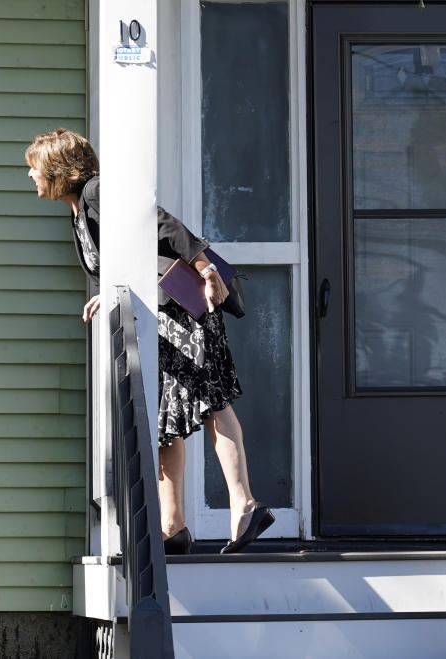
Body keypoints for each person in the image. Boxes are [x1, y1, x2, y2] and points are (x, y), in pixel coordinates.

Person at [25, 128, 275, 555]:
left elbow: (159, 223)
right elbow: (129, 253)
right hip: (159, 314)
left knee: (213, 402)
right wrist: (109, 289)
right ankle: (173, 526)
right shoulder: (79, 210)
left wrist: (206, 269)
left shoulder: (96, 192)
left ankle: (245, 506)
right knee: (166, 419)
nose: (30, 176)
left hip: (181, 306)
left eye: (34, 168)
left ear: (57, 168)